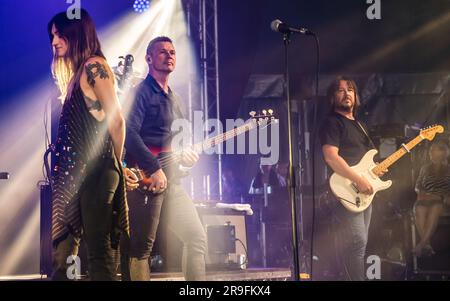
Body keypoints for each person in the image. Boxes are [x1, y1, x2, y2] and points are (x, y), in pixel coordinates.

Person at [49, 9, 138, 280]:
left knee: (99, 253)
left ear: (75, 33)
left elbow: (117, 121)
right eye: (52, 36)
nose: (54, 42)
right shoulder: (77, 74)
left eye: (59, 35)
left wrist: (118, 164)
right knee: (65, 257)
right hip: (77, 174)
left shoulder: (94, 66)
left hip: (97, 170)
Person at [123, 36, 207, 281]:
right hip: (146, 181)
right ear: (149, 59)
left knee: (196, 237)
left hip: (173, 182)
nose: (170, 55)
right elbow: (128, 132)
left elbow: (179, 141)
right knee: (141, 251)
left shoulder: (176, 99)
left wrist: (188, 157)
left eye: (172, 52)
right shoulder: (140, 93)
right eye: (162, 52)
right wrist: (153, 168)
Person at [319, 76, 386, 281]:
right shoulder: (332, 122)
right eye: (340, 90)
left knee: (360, 244)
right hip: (347, 189)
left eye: (350, 90)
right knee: (356, 243)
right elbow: (331, 157)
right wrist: (358, 179)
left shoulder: (360, 125)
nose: (347, 93)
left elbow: (365, 160)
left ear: (356, 96)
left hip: (363, 190)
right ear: (332, 97)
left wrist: (374, 172)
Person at [414, 140, 450, 257]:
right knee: (419, 208)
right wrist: (421, 192)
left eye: (433, 150)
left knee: (435, 207)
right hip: (425, 199)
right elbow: (418, 186)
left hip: (442, 200)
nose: (430, 152)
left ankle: (421, 244)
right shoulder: (425, 168)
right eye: (430, 150)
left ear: (443, 153)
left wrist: (442, 196)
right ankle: (427, 245)